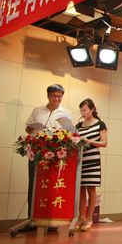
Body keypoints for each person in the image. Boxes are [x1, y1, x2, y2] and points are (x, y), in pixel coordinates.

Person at [24, 84, 73, 232]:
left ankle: (52, 222)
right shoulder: (37, 111)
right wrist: (31, 128)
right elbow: (28, 129)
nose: (56, 99)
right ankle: (31, 219)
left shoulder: (66, 112)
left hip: (55, 154)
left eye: (59, 96)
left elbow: (69, 133)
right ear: (48, 96)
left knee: (53, 186)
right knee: (34, 185)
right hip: (38, 152)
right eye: (53, 96)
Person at [75, 98, 108, 232]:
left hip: (93, 159)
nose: (82, 113)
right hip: (80, 160)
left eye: (85, 110)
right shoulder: (78, 126)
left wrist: (88, 141)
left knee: (91, 188)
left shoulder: (100, 124)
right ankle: (81, 217)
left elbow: (104, 143)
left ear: (92, 109)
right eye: (81, 111)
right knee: (81, 189)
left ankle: (89, 218)